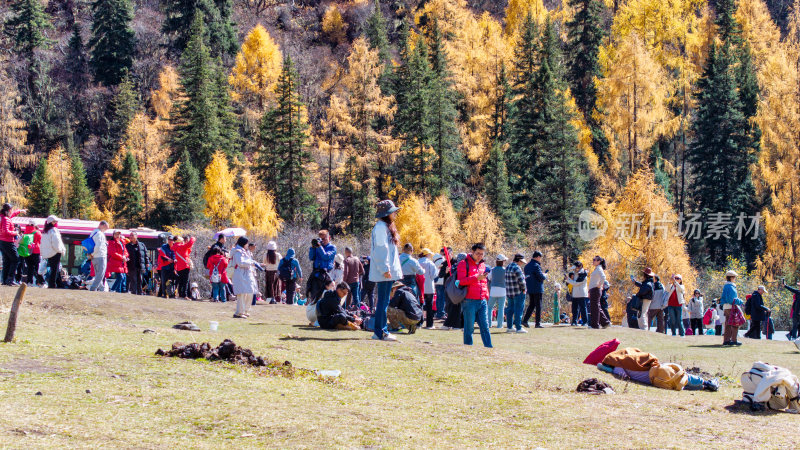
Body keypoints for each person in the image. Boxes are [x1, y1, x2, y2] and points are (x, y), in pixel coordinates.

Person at [369, 200, 403, 342]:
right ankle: (381, 332)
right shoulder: (381, 228)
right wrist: (385, 268)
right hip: (384, 271)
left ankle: (379, 331)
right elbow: (380, 250)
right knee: (383, 302)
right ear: (387, 213)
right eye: (393, 211)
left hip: (386, 270)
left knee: (383, 301)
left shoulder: (385, 227)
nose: (395, 213)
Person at [456, 243, 493, 348]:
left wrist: (486, 296)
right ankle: (468, 347)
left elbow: (484, 281)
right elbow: (461, 281)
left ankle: (489, 347)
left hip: (482, 300)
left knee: (485, 326)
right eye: (478, 253)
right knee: (469, 327)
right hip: (469, 300)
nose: (480, 256)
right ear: (472, 252)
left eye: (482, 254)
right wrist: (476, 278)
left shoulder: (482, 265)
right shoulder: (463, 263)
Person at [0, 203, 26, 286]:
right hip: (8, 241)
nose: (11, 212)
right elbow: (6, 231)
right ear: (8, 211)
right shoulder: (6, 219)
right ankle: (10, 279)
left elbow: (12, 215)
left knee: (6, 261)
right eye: (11, 210)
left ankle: (5, 280)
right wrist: (16, 232)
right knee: (15, 259)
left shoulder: (3, 218)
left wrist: (20, 211)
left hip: (2, 242)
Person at [308, 230, 336, 302]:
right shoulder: (318, 247)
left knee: (326, 297)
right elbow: (311, 257)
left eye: (324, 238)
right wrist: (313, 247)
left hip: (327, 275)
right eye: (321, 239)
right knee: (314, 296)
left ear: (329, 237)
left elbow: (325, 256)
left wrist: (319, 246)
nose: (323, 241)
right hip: (316, 274)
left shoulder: (332, 248)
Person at [38, 216, 66, 289]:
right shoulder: (54, 230)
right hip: (55, 252)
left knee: (53, 269)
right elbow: (56, 242)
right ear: (52, 222)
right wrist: (60, 250)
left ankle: (57, 284)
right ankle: (52, 284)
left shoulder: (45, 231)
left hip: (48, 253)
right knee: (55, 269)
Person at [232, 236, 256, 318]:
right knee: (241, 293)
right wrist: (250, 263)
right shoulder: (237, 251)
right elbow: (240, 262)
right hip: (240, 273)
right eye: (247, 243)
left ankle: (245, 310)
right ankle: (239, 312)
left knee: (250, 291)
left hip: (247, 273)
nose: (248, 244)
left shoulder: (246, 251)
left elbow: (248, 261)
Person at [523, 250, 548, 328]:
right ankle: (537, 323)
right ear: (537, 257)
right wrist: (545, 276)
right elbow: (540, 277)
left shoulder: (526, 266)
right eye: (540, 257)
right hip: (537, 288)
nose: (540, 259)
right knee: (538, 306)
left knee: (532, 305)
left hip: (530, 287)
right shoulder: (536, 266)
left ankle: (525, 320)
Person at [504, 254, 528, 333]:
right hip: (518, 291)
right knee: (518, 310)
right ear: (519, 260)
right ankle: (518, 327)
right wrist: (524, 289)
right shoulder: (517, 268)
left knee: (510, 310)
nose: (522, 264)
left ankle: (509, 327)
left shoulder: (508, 266)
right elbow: (521, 280)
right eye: (522, 262)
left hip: (509, 291)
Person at [720, 270, 744, 346]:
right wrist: (741, 301)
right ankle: (734, 340)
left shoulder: (726, 286)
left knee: (728, 324)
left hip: (725, 307)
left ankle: (726, 340)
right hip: (731, 307)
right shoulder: (731, 286)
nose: (735, 278)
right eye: (734, 277)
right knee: (735, 323)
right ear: (731, 278)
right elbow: (731, 300)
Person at [442, 254, 465, 331]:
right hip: (457, 289)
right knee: (457, 308)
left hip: (451, 290)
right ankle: (456, 325)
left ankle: (455, 324)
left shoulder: (454, 267)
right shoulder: (459, 267)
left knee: (454, 307)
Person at [588, 256, 611, 329]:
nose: (593, 261)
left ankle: (595, 325)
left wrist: (599, 285)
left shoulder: (599, 268)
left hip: (595, 290)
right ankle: (605, 323)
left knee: (595, 308)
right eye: (593, 259)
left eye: (594, 260)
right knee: (597, 307)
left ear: (599, 261)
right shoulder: (597, 268)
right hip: (594, 289)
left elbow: (603, 277)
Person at [87, 221, 109, 292]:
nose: (106, 230)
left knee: (97, 273)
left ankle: (102, 288)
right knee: (100, 274)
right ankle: (93, 288)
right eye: (106, 228)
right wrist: (93, 254)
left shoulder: (93, 232)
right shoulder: (100, 234)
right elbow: (98, 246)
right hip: (100, 256)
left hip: (94, 256)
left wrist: (91, 255)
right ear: (102, 225)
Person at [487, 254, 507, 329]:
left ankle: (489, 324)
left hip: (494, 290)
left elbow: (489, 277)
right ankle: (499, 325)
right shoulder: (505, 270)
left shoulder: (493, 269)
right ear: (503, 261)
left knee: (489, 307)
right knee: (501, 308)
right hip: (502, 290)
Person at [418, 248, 437, 329]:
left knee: (419, 305)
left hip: (420, 286)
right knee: (429, 306)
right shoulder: (430, 263)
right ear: (427, 254)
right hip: (429, 287)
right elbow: (434, 275)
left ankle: (419, 323)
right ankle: (429, 324)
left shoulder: (417, 262)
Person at [172, 235, 196, 300]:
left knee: (181, 281)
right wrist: (193, 238)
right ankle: (185, 295)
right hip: (185, 265)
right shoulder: (180, 246)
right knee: (186, 281)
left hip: (179, 266)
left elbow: (186, 251)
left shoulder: (175, 246)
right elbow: (189, 244)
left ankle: (180, 294)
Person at [566, 262, 589, 327]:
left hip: (581, 294)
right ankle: (574, 321)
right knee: (574, 309)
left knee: (583, 309)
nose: (574, 270)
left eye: (576, 268)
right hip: (575, 294)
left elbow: (577, 283)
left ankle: (585, 322)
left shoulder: (583, 274)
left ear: (580, 266)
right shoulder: (575, 273)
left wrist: (568, 280)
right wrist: (569, 279)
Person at [432, 248, 448, 320]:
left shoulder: (434, 260)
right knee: (442, 298)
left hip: (437, 280)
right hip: (442, 280)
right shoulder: (443, 260)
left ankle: (438, 313)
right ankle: (441, 313)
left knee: (438, 298)